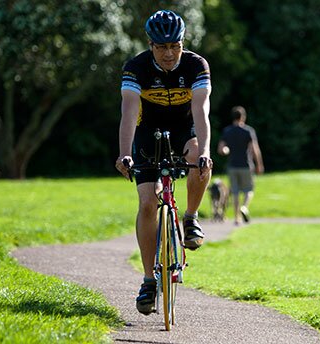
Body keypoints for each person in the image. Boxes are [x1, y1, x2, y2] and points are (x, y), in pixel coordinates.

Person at [113, 9, 213, 315]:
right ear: (150, 44)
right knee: (146, 204)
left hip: (185, 129)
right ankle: (148, 280)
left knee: (198, 157)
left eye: (175, 46)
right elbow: (129, 111)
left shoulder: (197, 65)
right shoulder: (136, 67)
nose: (169, 54)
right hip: (147, 133)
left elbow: (202, 110)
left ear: (183, 43)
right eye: (161, 47)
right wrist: (124, 152)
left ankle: (191, 217)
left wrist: (206, 149)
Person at [217, 106, 264, 226]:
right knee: (249, 190)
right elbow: (255, 149)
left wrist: (226, 150)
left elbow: (221, 149)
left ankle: (237, 218)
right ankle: (244, 207)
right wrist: (259, 164)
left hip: (232, 165)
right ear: (243, 117)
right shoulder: (248, 131)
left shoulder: (227, 131)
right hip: (246, 165)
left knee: (235, 191)